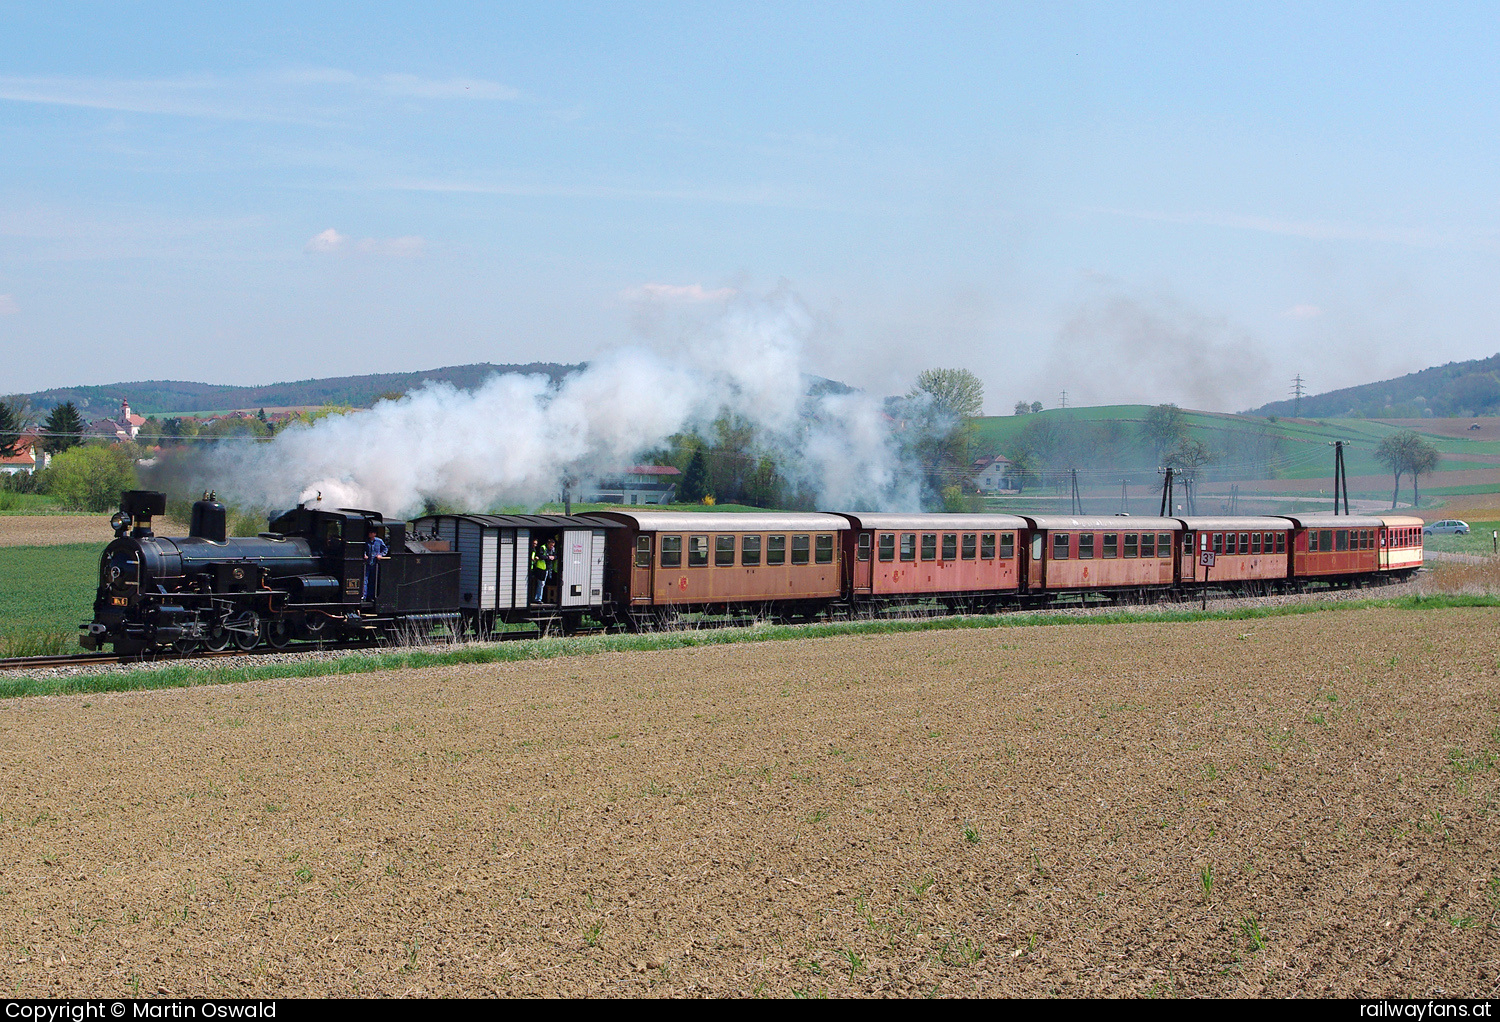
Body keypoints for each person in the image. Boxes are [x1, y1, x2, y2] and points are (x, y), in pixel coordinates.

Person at [363, 526, 388, 601]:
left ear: (374, 534)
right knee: (365, 580)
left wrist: (381, 555)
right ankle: (364, 596)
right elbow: (363, 549)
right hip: (367, 564)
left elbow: (385, 549)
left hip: (375, 564)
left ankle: (371, 596)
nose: (369, 534)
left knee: (373, 581)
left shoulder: (379, 541)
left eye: (371, 533)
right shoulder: (366, 542)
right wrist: (364, 555)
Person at [530, 538, 547, 603]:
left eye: (536, 544)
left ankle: (535, 598)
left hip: (533, 568)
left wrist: (535, 559)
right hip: (533, 568)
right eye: (534, 543)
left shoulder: (534, 549)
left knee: (537, 584)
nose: (535, 545)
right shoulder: (530, 548)